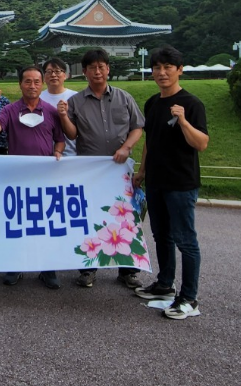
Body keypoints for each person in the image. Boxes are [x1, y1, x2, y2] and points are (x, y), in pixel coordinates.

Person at [133, 46, 209, 320]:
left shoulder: (191, 103)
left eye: (168, 67)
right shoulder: (153, 103)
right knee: (161, 235)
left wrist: (184, 121)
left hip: (181, 183)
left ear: (180, 70)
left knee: (185, 240)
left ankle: (189, 298)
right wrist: (141, 172)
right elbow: (149, 143)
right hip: (155, 181)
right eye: (157, 68)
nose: (162, 73)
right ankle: (165, 285)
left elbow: (201, 144)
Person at [64, 49, 145, 290]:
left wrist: (127, 147)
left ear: (108, 69)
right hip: (90, 170)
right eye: (92, 68)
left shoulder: (124, 98)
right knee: (90, 218)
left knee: (125, 219)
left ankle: (128, 271)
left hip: (120, 169)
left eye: (101, 67)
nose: (97, 72)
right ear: (85, 71)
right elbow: (72, 134)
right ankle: (88, 268)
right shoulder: (75, 102)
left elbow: (137, 127)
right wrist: (63, 117)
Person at [0, 65, 69, 289]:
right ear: (20, 84)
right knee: (17, 221)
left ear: (42, 84)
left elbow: (60, 138)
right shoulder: (11, 110)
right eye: (27, 81)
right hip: (18, 176)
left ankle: (47, 268)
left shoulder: (51, 110)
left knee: (44, 222)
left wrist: (58, 151)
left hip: (45, 177)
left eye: (36, 81)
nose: (32, 86)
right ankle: (15, 265)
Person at [40, 58, 77, 156]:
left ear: (65, 75)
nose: (53, 75)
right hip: (44, 154)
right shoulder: (38, 98)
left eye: (57, 71)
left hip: (71, 153)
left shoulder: (75, 97)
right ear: (44, 76)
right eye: (49, 72)